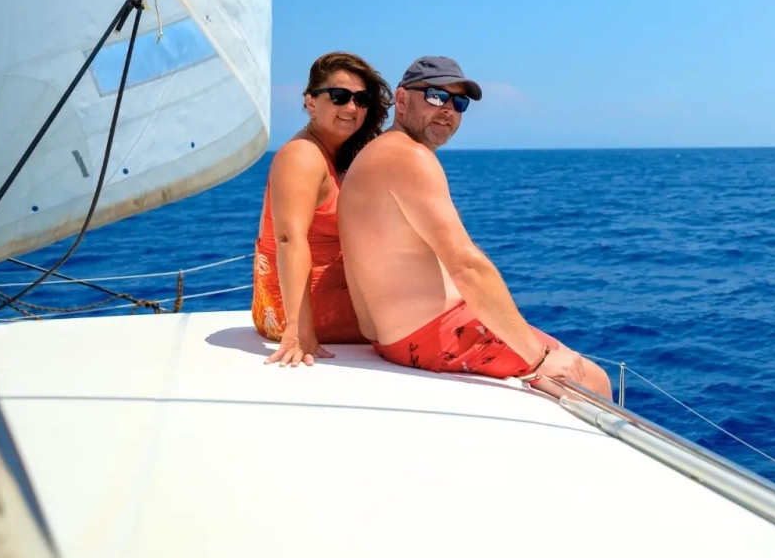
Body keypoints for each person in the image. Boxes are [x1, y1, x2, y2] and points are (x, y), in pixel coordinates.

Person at [338, 55, 612, 397]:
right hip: (429, 336)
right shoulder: (409, 157)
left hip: (397, 339)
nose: (448, 110)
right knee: (592, 378)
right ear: (403, 99)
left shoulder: (379, 152)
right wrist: (539, 358)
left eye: (459, 102)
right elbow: (466, 266)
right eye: (436, 96)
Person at [253, 51, 391, 367]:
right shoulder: (301, 156)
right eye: (339, 96)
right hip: (306, 312)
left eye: (361, 99)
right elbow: (289, 239)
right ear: (310, 102)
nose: (352, 107)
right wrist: (297, 331)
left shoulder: (337, 155)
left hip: (330, 299)